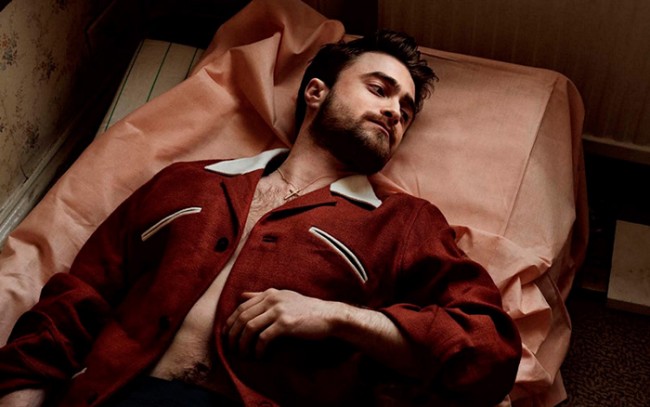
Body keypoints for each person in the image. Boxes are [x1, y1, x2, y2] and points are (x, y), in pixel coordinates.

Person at [0, 30, 521, 406]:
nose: (394, 113)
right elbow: (78, 298)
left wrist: (339, 318)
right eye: (379, 90)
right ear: (316, 91)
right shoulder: (186, 180)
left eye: (405, 112)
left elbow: (488, 350)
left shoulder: (404, 222)